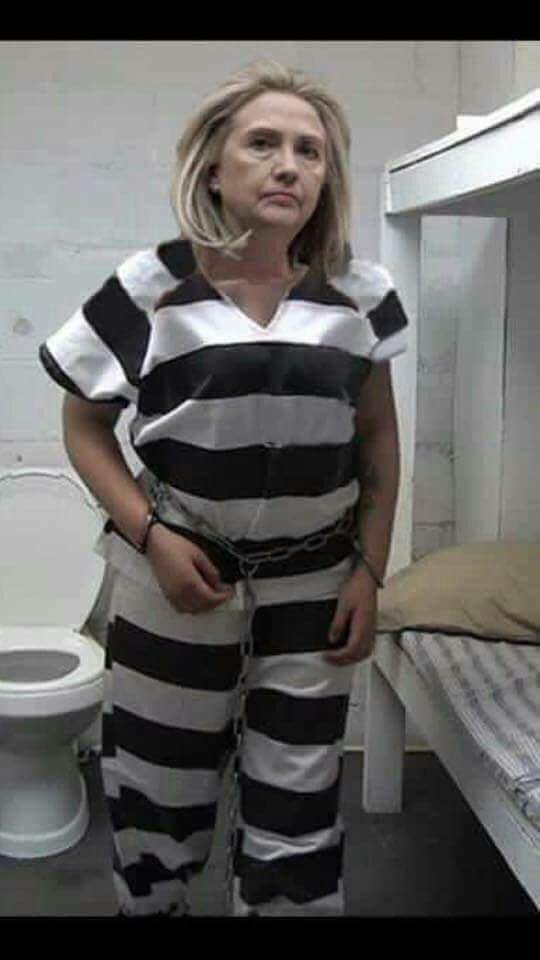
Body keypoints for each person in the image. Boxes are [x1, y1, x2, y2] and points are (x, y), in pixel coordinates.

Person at [38, 58, 408, 917]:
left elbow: (379, 437)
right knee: (158, 791)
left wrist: (370, 571)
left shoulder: (364, 294)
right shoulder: (148, 287)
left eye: (310, 152)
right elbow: (83, 426)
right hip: (173, 579)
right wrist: (151, 537)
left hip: (316, 586)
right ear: (213, 166)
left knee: (299, 800)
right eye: (263, 144)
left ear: (327, 177)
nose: (289, 166)